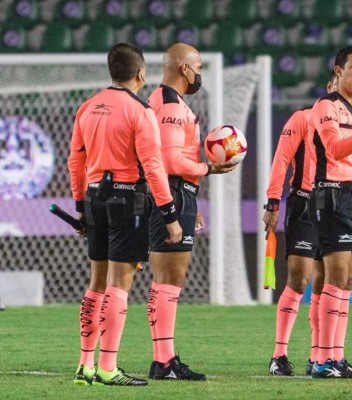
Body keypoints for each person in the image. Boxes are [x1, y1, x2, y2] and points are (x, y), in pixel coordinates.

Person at [68, 42, 182, 386]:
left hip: (93, 198)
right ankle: (108, 367)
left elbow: (76, 160)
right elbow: (153, 164)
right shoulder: (140, 110)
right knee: (120, 285)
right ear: (141, 73)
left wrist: (79, 207)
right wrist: (169, 212)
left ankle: (85, 365)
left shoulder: (87, 107)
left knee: (95, 284)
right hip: (127, 197)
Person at [146, 43, 236, 381]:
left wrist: (192, 196)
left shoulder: (168, 101)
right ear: (184, 68)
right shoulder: (170, 105)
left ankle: (164, 359)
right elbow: (170, 161)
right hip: (170, 193)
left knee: (168, 279)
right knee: (169, 279)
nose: (199, 74)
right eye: (197, 67)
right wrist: (208, 168)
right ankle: (164, 361)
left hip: (176, 193)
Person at [309, 46, 352, 379]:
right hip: (332, 194)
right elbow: (334, 150)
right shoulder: (324, 107)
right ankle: (322, 360)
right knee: (335, 280)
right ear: (338, 71)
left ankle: (337, 357)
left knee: (347, 282)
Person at [264, 74, 334, 377]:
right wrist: (272, 202)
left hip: (336, 205)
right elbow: (281, 159)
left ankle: (318, 357)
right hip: (304, 202)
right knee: (300, 279)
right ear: (332, 84)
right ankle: (279, 355)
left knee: (324, 282)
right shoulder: (303, 118)